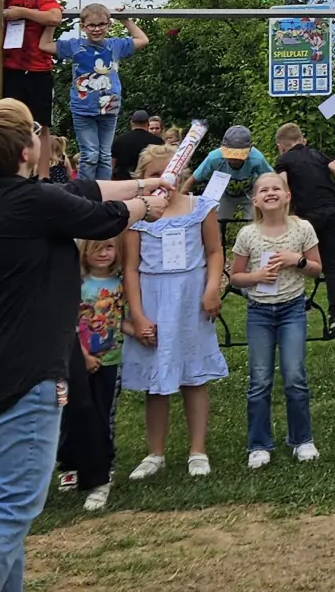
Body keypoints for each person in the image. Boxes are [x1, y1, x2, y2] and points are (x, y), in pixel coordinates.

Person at [0, 98, 158, 590]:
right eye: (34, 129)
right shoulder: (31, 203)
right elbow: (107, 216)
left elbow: (82, 188)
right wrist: (147, 204)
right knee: (7, 514)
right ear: (24, 148)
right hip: (17, 374)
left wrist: (144, 182)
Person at [123, 143, 229, 482]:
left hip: (191, 300)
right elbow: (131, 268)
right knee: (157, 382)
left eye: (168, 173)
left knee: (194, 377)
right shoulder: (137, 216)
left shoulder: (200, 207)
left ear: (181, 173)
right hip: (154, 300)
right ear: (141, 179)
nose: (162, 180)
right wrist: (138, 315)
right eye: (154, 175)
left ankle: (198, 450)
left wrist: (212, 288)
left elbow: (214, 252)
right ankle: (155, 452)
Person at [229, 172, 324, 468]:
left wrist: (297, 260)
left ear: (287, 196)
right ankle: (258, 444)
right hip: (259, 312)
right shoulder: (248, 235)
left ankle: (302, 440)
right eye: (264, 190)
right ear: (255, 200)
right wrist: (256, 276)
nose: (270, 193)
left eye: (276, 189)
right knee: (259, 379)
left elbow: (317, 268)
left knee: (295, 376)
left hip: (292, 310)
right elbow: (235, 276)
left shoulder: (302, 228)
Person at [55, 235, 128, 512]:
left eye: (108, 247)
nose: (102, 253)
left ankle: (102, 465)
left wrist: (142, 331)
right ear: (84, 252)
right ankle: (68, 465)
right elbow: (67, 324)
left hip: (109, 361)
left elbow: (120, 322)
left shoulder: (118, 285)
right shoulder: (76, 284)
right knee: (67, 412)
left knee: (103, 414)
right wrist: (83, 357)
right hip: (72, 363)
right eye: (96, 248)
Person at [39, 2, 148, 180]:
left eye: (101, 25)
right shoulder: (75, 46)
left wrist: (125, 20)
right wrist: (52, 23)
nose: (96, 29)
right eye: (91, 25)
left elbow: (142, 40)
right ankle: (86, 194)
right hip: (83, 108)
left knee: (104, 156)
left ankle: (102, 195)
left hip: (109, 107)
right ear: (83, 27)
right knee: (90, 155)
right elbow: (44, 45)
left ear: (108, 25)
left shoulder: (115, 45)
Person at [0, 0, 63, 179]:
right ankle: (13, 171)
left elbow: (54, 17)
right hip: (11, 68)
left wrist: (21, 12)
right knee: (10, 121)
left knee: (41, 125)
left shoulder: (45, 1)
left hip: (38, 71)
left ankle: (43, 175)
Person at [274, 123, 335, 337]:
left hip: (305, 216)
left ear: (281, 147)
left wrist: (285, 213)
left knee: (292, 260)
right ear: (302, 139)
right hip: (330, 212)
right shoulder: (317, 155)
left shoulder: (284, 160)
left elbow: (283, 183)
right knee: (332, 266)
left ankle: (299, 304)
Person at [189, 125, 273, 224]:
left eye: (239, 156)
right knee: (216, 221)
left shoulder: (257, 159)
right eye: (231, 155)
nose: (234, 160)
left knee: (256, 222)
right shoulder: (214, 158)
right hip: (223, 194)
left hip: (250, 193)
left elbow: (272, 179)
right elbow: (194, 179)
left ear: (250, 149)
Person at [111, 110, 163, 182]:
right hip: (148, 182)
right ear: (147, 124)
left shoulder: (120, 140)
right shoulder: (158, 141)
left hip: (123, 182)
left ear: (131, 122)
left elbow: (112, 164)